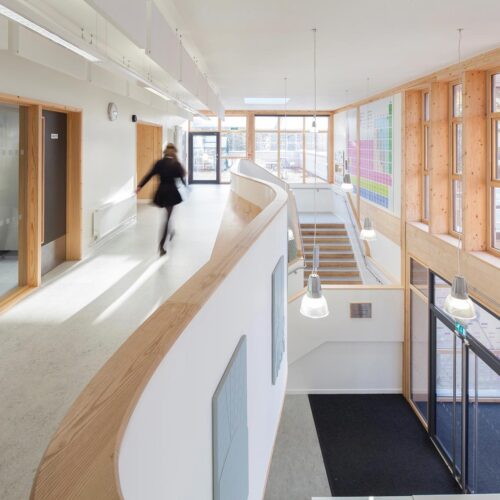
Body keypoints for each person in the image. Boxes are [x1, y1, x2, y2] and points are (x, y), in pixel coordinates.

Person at [136, 143, 187, 256]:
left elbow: (149, 175)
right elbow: (181, 176)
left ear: (165, 152)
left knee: (167, 217)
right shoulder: (176, 164)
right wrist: (185, 185)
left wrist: (140, 186)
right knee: (167, 218)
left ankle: (171, 231)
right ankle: (161, 245)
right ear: (174, 152)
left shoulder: (159, 163)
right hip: (171, 192)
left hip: (161, 192)